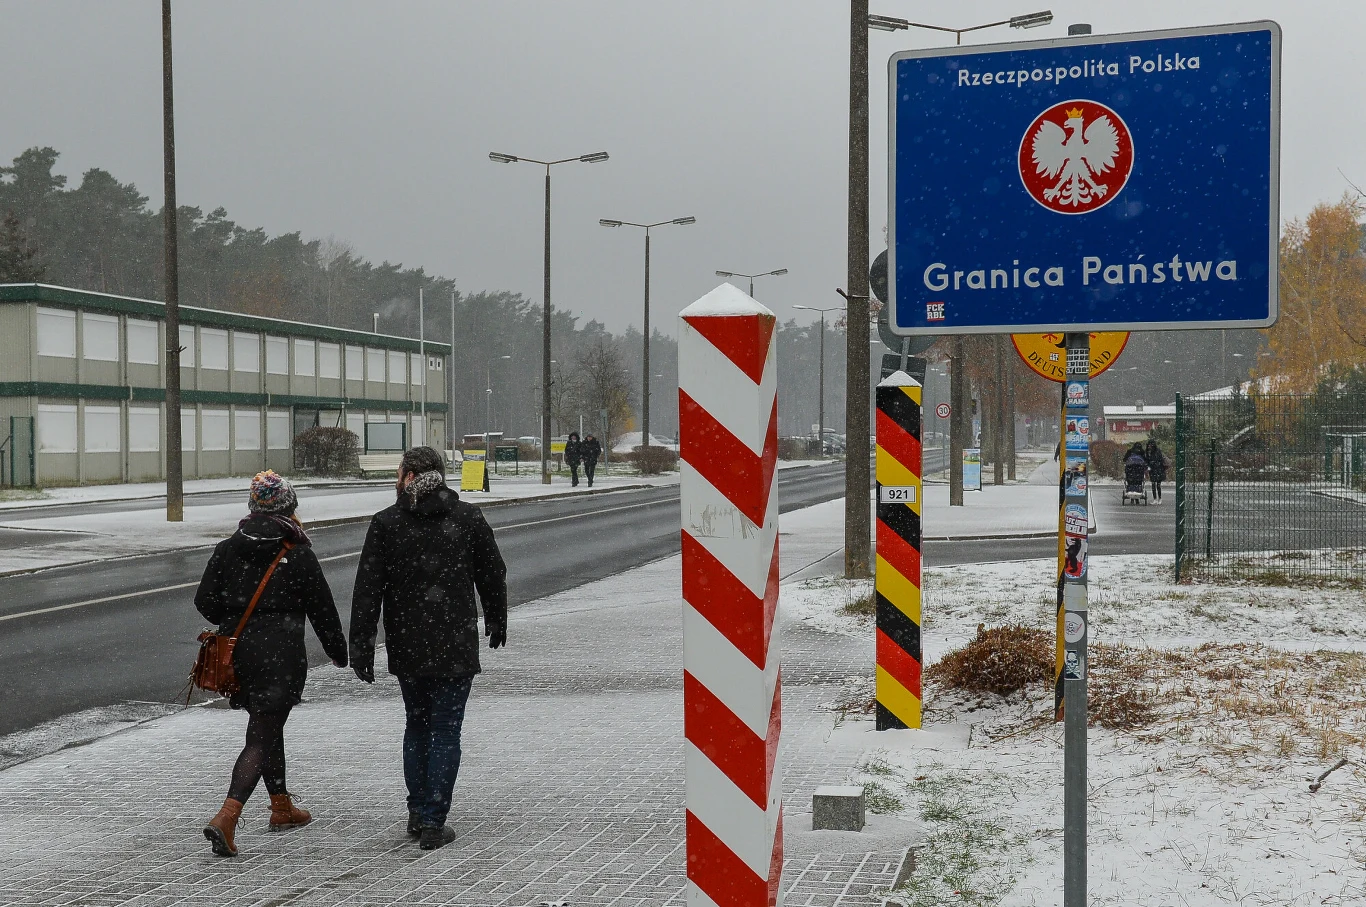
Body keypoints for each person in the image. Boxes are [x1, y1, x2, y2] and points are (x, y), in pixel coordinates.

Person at [350, 446, 508, 851]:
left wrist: (363, 644)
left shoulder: (387, 522)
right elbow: (492, 572)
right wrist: (495, 617)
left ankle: (419, 811)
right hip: (454, 642)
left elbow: (368, 588)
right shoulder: (467, 517)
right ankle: (436, 820)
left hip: (407, 643)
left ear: (407, 476)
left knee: (416, 725)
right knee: (446, 730)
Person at [195, 470, 348, 858]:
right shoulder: (295, 551)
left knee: (266, 722)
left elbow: (205, 602)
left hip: (240, 654)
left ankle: (281, 807)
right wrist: (337, 649)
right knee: (262, 734)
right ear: (289, 506)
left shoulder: (228, 547)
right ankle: (227, 816)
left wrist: (232, 616)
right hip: (281, 653)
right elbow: (322, 607)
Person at [1145, 439, 1168, 503]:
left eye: (1150, 445)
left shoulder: (1155, 451)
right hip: (1154, 470)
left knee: (1157, 484)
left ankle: (1159, 498)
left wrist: (1151, 463)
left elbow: (1158, 460)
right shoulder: (1150, 452)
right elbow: (1147, 460)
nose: (1149, 446)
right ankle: (1155, 499)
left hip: (1157, 469)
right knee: (1154, 484)